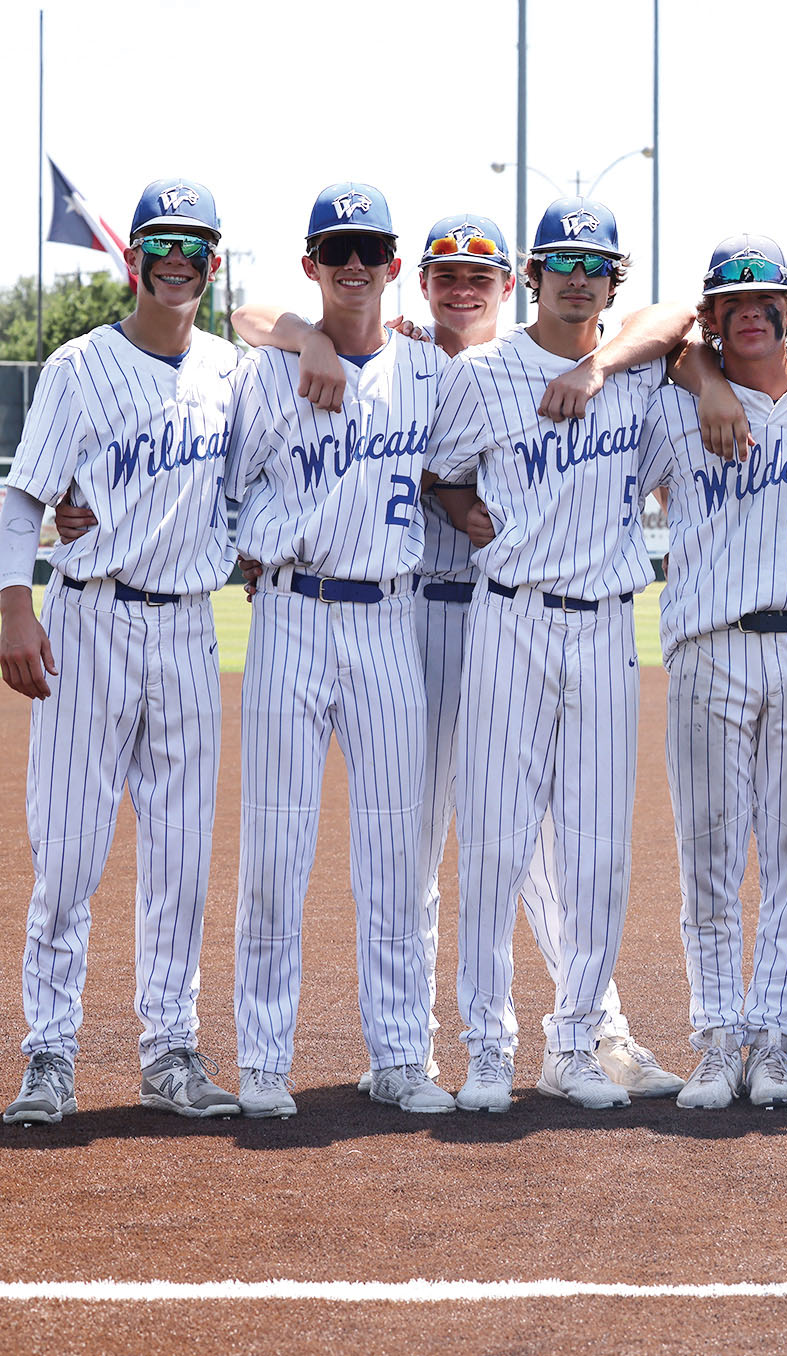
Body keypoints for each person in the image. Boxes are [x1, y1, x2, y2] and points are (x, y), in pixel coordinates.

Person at [232, 212, 679, 1104]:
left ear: (509, 284)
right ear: (419, 281)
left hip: (486, 619)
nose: (462, 288)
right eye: (446, 274)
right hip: (415, 618)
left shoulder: (504, 363)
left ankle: (593, 1032)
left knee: (545, 845)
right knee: (420, 848)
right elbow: (250, 315)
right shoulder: (405, 357)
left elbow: (670, 324)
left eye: (479, 275)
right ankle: (419, 1050)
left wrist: (603, 363)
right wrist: (307, 336)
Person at [0, 178, 244, 1124]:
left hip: (189, 625)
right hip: (91, 617)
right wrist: (15, 611)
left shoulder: (232, 370)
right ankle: (49, 1055)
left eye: (195, 246)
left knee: (181, 856)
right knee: (67, 852)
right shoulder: (76, 366)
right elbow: (25, 499)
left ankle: (170, 1049)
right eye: (161, 244)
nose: (177, 261)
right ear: (133, 257)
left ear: (212, 263)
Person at [423, 196, 670, 1113]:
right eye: (560, 262)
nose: (577, 277)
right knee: (492, 838)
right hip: (513, 617)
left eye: (594, 264)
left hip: (608, 620)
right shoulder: (485, 373)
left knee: (599, 848)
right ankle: (489, 1048)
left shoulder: (640, 374)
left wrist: (602, 362)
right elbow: (441, 471)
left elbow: (680, 324)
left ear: (614, 280)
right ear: (531, 276)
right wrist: (466, 516)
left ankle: (573, 1047)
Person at [221, 183, 451, 1117]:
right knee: (276, 846)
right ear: (312, 265)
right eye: (335, 249)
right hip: (290, 612)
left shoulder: (429, 370)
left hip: (388, 618)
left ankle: (401, 1056)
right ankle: (265, 1063)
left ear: (395, 267)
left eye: (370, 250)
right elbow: (222, 479)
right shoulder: (267, 372)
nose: (354, 265)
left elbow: (475, 455)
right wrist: (302, 337)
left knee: (395, 849)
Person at [637, 235, 787, 1110]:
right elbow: (643, 333)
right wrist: (698, 377)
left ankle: (774, 1035)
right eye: (730, 305)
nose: (750, 314)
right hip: (708, 647)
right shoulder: (674, 412)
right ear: (709, 320)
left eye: (765, 301)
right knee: (709, 855)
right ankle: (715, 1038)